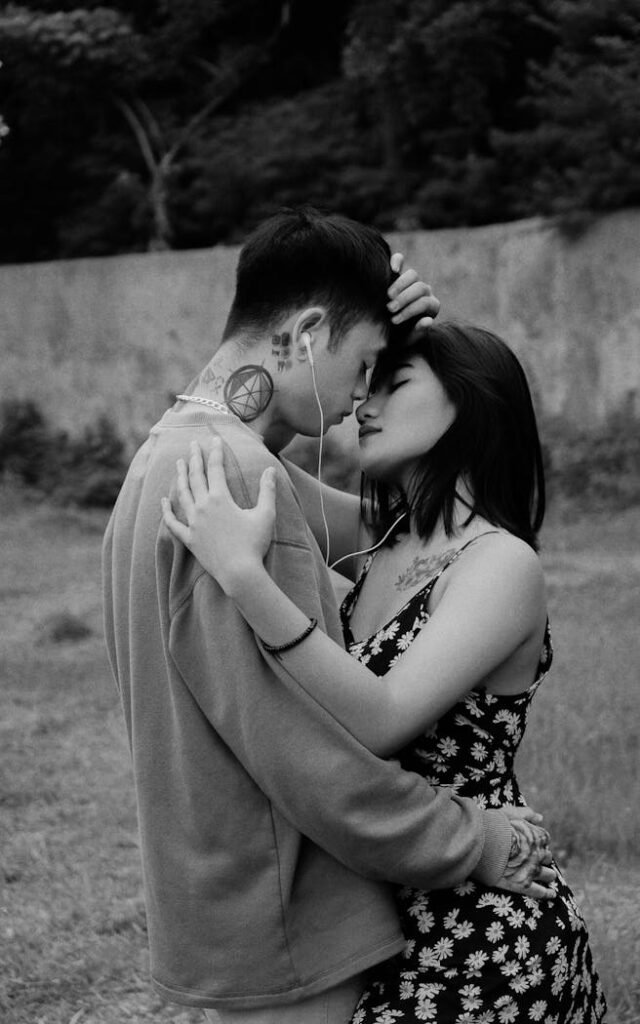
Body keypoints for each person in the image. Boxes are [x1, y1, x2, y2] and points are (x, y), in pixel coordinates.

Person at [102, 207, 554, 1023]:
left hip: (247, 899)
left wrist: (409, 329)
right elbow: (304, 746)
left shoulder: (175, 453)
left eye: (392, 380)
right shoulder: (234, 482)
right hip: (289, 912)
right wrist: (473, 840)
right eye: (365, 365)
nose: (358, 401)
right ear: (307, 332)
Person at [162, 319, 607, 1023]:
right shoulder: (384, 543)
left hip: (480, 930)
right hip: (372, 906)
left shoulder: (500, 562)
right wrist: (377, 308)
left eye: (393, 384)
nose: (363, 406)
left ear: (471, 401)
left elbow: (381, 717)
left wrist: (246, 578)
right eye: (366, 383)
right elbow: (229, 439)